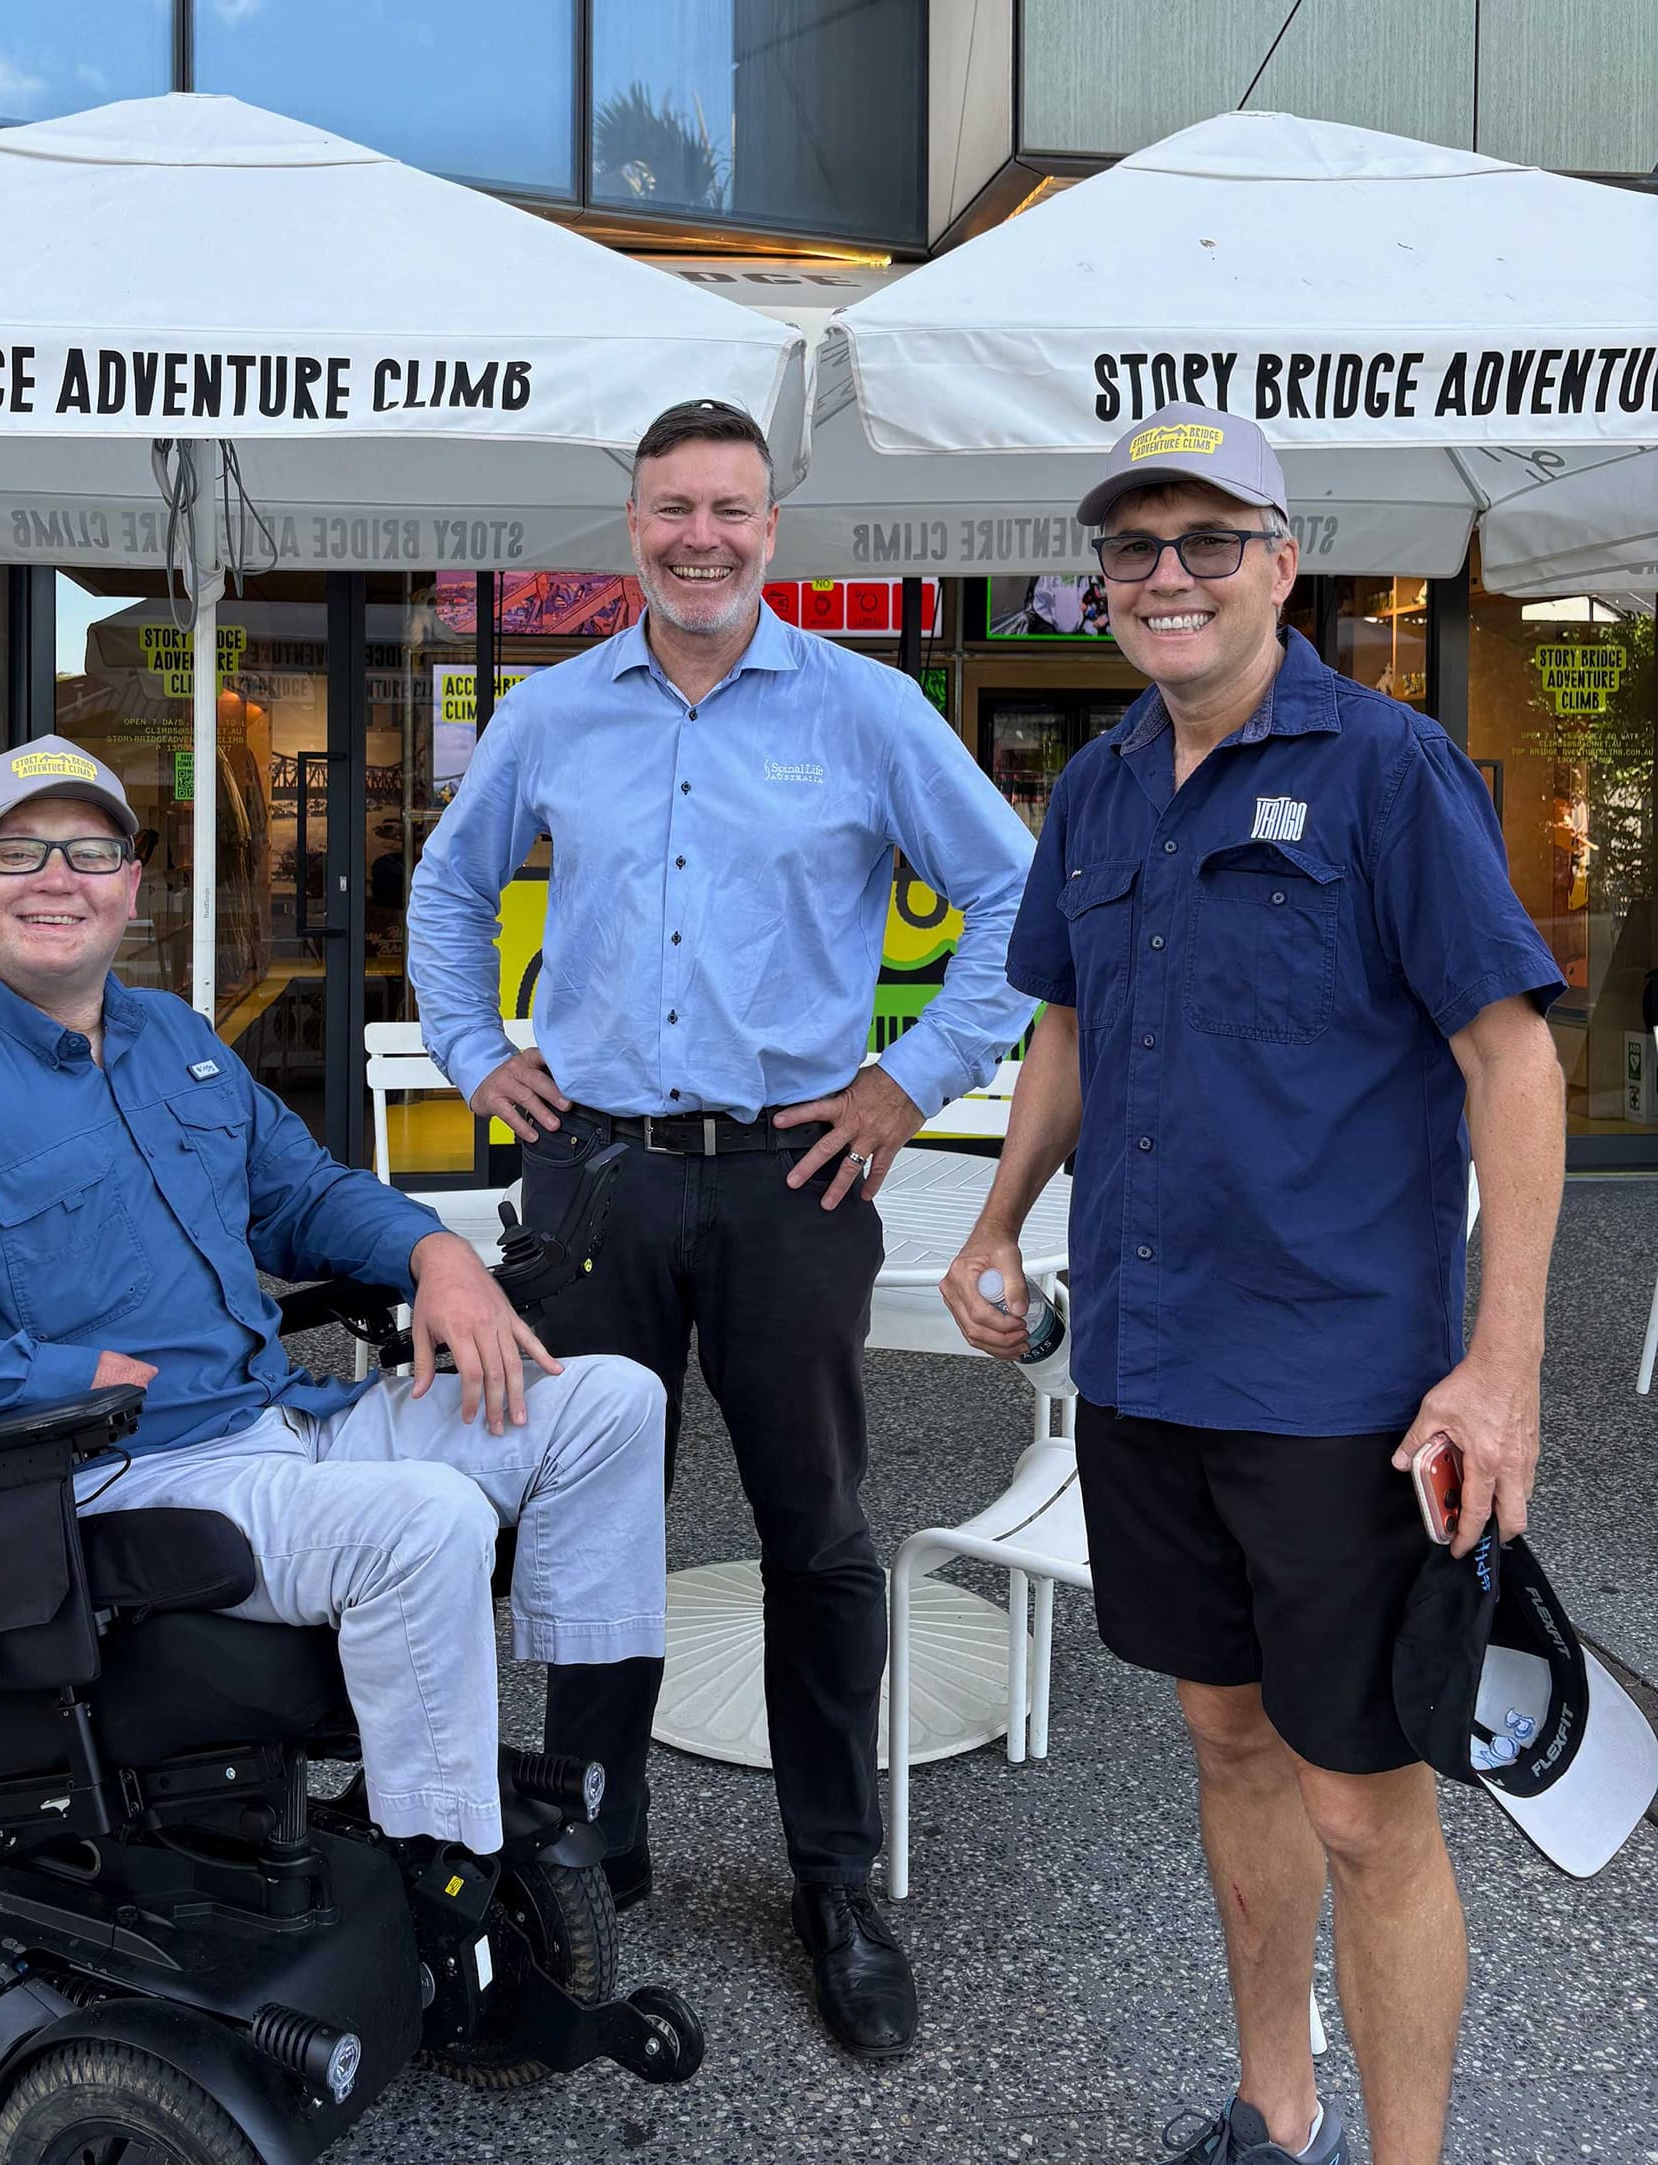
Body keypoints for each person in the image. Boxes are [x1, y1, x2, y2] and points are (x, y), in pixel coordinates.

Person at [941, 405, 1566, 2165]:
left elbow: (1510, 1064)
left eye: (1210, 541)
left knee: (1370, 1807)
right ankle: (1273, 2106)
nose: (1168, 576)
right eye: (1135, 548)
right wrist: (1001, 1216)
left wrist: (1499, 1368)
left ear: (1282, 564)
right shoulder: (1100, 786)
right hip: (1144, 1368)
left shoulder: (1389, 771)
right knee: (1227, 1746)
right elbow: (1066, 1021)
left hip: (1336, 1391)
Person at [407, 398, 1037, 2056]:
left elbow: (1017, 903)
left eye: (732, 509)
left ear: (773, 530)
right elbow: (448, 894)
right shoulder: (551, 715)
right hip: (595, 1175)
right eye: (674, 505)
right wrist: (477, 1052)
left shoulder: (867, 709)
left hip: (793, 1178)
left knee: (816, 1531)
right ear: (634, 526)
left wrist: (909, 1084)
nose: (703, 534)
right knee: (585, 1530)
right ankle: (586, 1851)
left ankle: (834, 1879)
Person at [0, 735, 668, 1869]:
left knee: (611, 1402)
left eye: (91, 851)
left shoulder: (174, 1039)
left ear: (131, 881)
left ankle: (577, 1793)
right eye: (18, 851)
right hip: (120, 1473)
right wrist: (71, 1379)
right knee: (426, 1522)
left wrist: (429, 1253)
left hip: (286, 1417)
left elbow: (301, 1192)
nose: (58, 878)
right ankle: (442, 1864)